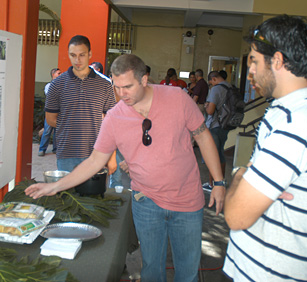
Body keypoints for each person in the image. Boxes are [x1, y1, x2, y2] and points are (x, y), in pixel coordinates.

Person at [26, 54, 226, 282]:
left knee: (188, 270)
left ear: (144, 79)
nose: (122, 94)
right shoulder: (114, 117)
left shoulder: (177, 98)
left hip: (188, 201)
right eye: (117, 86)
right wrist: (56, 187)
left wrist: (218, 182)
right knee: (151, 268)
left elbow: (203, 136)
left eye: (128, 86)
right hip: (146, 202)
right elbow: (94, 161)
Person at [223, 14, 307, 281]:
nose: (250, 73)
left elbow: (236, 216)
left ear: (278, 61)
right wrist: (253, 180)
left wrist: (240, 175)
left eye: (254, 62)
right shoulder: (286, 111)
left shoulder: (299, 122)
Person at [44, 35, 116, 172]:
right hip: (66, 154)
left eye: (82, 55)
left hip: (96, 153)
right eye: (73, 55)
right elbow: (51, 119)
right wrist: (77, 124)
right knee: (67, 193)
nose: (77, 60)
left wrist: (111, 157)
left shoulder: (104, 85)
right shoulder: (57, 85)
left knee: (93, 193)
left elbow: (111, 122)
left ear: (90, 54)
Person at [203, 71, 232, 188]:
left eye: (211, 82)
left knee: (213, 155)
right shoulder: (230, 87)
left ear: (214, 79)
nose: (211, 85)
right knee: (220, 154)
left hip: (215, 125)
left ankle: (212, 184)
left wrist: (206, 106)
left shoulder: (216, 89)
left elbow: (210, 111)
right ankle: (221, 182)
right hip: (226, 125)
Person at [38, 67, 61, 156]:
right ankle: (42, 149)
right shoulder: (48, 86)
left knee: (57, 131)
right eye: (58, 73)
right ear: (53, 75)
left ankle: (55, 149)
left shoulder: (62, 85)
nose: (60, 75)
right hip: (50, 112)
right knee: (47, 130)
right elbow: (51, 96)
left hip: (60, 112)